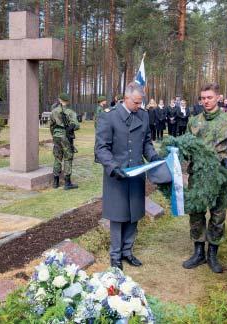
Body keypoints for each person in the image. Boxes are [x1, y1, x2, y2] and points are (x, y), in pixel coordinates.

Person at [94, 82, 162, 270]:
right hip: (116, 175)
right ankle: (115, 255)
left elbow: (146, 142)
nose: (139, 106)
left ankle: (127, 251)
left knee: (134, 214)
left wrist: (153, 156)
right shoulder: (109, 117)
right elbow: (101, 148)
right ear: (125, 99)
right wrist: (113, 167)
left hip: (136, 174)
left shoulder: (143, 115)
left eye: (141, 102)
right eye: (136, 103)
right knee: (117, 216)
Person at [185, 83, 227, 273]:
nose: (206, 101)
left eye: (209, 97)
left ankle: (212, 254)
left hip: (218, 176)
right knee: (196, 213)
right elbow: (187, 146)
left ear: (218, 98)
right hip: (198, 176)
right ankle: (198, 252)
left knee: (218, 215)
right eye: (203, 98)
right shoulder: (193, 121)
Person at [50, 93, 80, 190]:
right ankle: (67, 182)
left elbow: (51, 125)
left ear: (59, 100)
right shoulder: (71, 112)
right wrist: (71, 128)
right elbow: (76, 125)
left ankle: (55, 182)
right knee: (68, 158)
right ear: (67, 101)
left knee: (57, 157)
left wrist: (54, 135)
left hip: (56, 136)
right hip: (66, 137)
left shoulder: (54, 111)